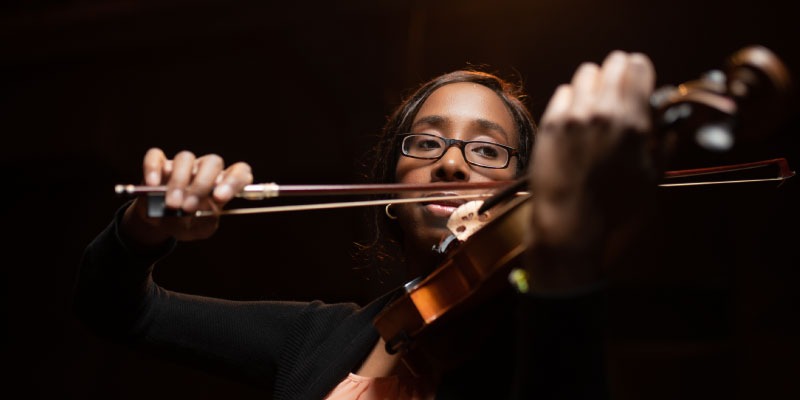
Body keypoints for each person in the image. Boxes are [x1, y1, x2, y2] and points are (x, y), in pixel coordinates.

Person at [74, 50, 658, 399]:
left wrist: (566, 267)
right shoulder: (319, 337)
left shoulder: (535, 333)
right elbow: (120, 311)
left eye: (487, 152)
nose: (450, 163)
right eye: (427, 142)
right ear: (390, 188)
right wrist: (145, 224)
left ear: (524, 190)